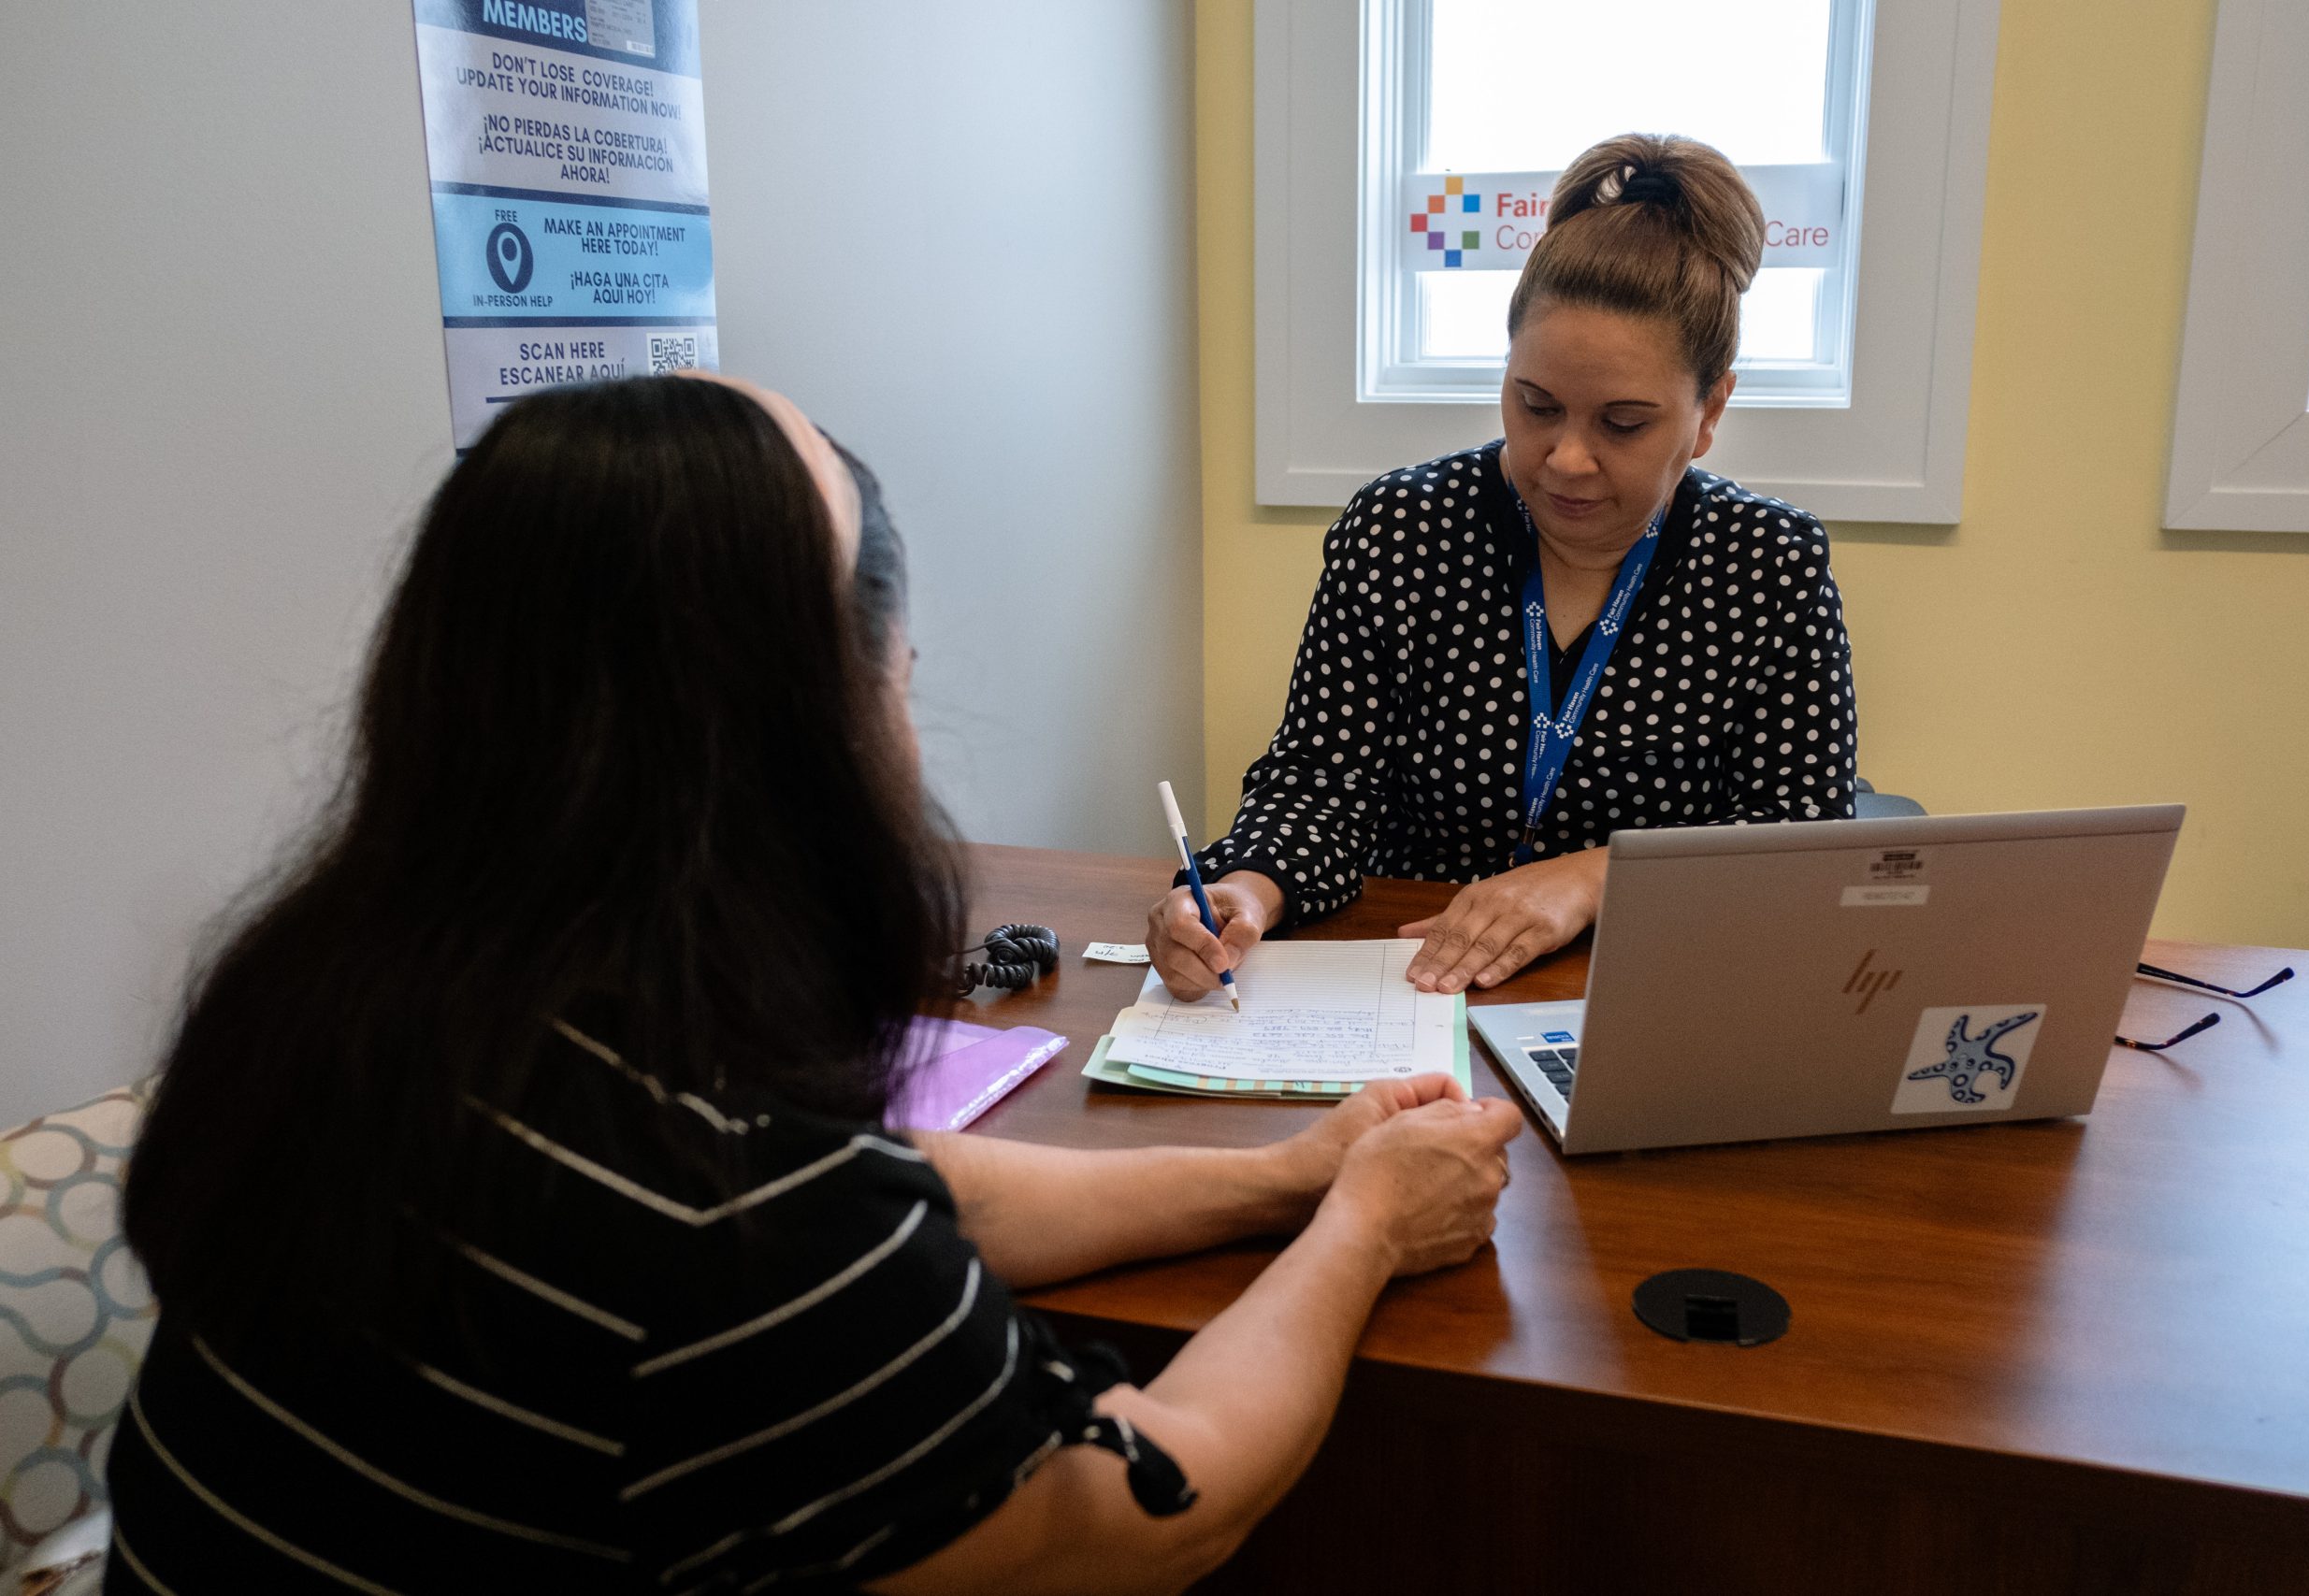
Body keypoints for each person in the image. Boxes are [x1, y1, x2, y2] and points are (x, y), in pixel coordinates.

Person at [107, 373, 1522, 1594]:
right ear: (831, 712)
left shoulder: (323, 1004)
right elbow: (1152, 1515)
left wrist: (1292, 1172)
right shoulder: (745, 1229)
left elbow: (909, 1175)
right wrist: (1365, 1228)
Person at [1147, 134, 1857, 1003]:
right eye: (1537, 405)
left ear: (1709, 411)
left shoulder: (1768, 567)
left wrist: (1595, 877)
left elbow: (1799, 851)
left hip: (1646, 997)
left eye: (1623, 423)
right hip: (1405, 985)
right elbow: (1321, 783)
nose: (1566, 458)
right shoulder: (1401, 529)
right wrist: (1243, 891)